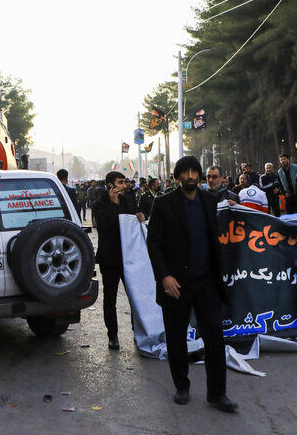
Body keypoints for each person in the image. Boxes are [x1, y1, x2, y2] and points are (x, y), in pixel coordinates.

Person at [145, 155, 236, 412]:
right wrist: (165, 277)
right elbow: (154, 243)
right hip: (177, 283)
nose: (190, 176)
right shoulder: (163, 204)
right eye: (185, 172)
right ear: (177, 177)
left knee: (215, 339)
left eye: (194, 172)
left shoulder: (209, 200)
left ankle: (217, 394)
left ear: (199, 175)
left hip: (206, 281)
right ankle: (181, 386)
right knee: (176, 339)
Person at [91, 170, 145, 350]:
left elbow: (132, 222)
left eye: (125, 182)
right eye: (120, 182)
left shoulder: (128, 200)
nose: (124, 185)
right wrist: (113, 205)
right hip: (110, 258)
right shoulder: (100, 203)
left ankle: (138, 334)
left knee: (134, 297)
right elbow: (104, 225)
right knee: (110, 299)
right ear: (110, 185)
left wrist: (139, 217)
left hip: (128, 258)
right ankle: (112, 335)